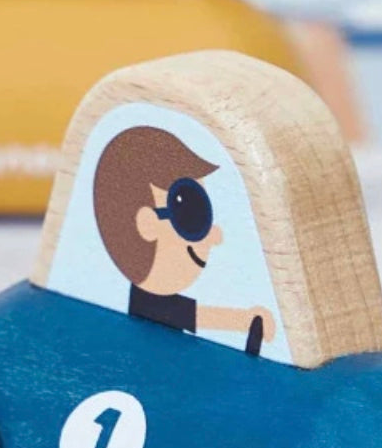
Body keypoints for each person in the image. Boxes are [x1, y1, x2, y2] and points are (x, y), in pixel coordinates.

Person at [93, 126, 276, 343]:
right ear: (148, 225)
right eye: (191, 214)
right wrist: (245, 320)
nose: (216, 236)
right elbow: (198, 317)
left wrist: (246, 320)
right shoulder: (148, 303)